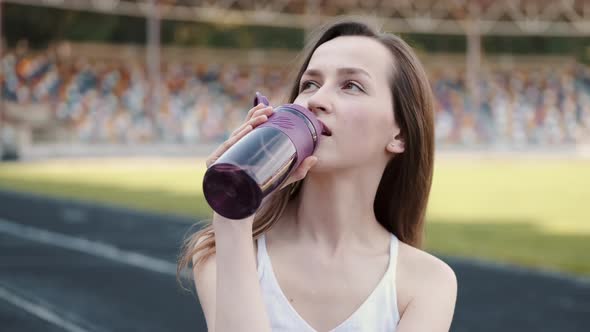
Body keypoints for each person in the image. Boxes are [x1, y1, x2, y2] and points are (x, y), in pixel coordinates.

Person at [178, 17, 457, 332]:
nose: (316, 100)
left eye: (351, 85)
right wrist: (232, 214)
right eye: (309, 84)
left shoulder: (427, 283)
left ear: (400, 134)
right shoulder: (224, 250)